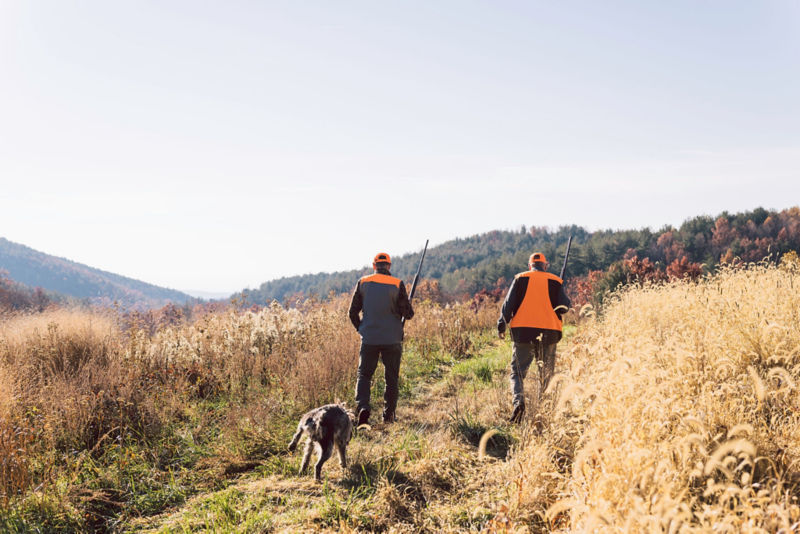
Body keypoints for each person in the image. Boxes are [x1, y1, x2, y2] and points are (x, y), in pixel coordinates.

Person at [497, 252, 570, 423]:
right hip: (549, 333)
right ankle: (544, 413)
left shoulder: (520, 278)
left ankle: (519, 403)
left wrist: (502, 325)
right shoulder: (555, 281)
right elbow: (564, 307)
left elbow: (508, 305)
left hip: (523, 332)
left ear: (530, 266)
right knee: (547, 375)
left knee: (517, 373)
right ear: (545, 265)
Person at [349, 252, 414, 425]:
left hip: (369, 337)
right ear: (389, 266)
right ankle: (388, 416)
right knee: (391, 377)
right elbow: (408, 314)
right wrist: (408, 305)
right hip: (392, 339)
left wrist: (362, 328)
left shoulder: (363, 283)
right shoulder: (397, 284)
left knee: (364, 375)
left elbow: (352, 312)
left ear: (374, 265)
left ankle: (363, 407)